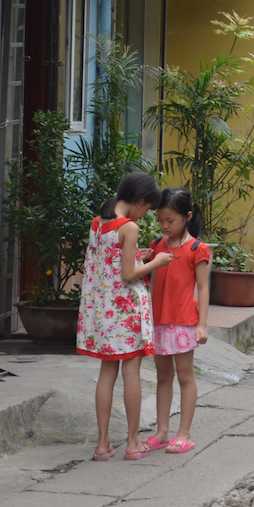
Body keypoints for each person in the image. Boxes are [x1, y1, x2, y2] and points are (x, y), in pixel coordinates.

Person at [77, 172, 172, 462]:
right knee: (132, 372)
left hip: (104, 312)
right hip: (126, 310)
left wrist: (138, 257)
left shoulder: (99, 222)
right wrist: (156, 261)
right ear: (140, 200)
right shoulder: (128, 227)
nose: (144, 216)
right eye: (146, 209)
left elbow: (108, 263)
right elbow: (128, 274)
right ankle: (132, 442)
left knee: (107, 374)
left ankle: (102, 444)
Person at [145, 187, 212, 455]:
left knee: (185, 376)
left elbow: (204, 288)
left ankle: (184, 432)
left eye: (170, 221)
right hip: (158, 320)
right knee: (163, 377)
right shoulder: (157, 246)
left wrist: (202, 324)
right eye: (160, 220)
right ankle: (162, 431)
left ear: (187, 216)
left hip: (183, 322)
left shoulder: (197, 249)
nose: (164, 225)